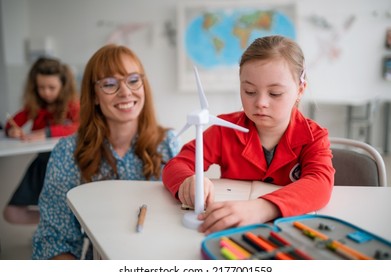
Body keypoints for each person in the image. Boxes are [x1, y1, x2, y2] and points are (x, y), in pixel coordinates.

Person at [162, 35, 335, 235]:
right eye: (250, 91)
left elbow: (320, 183)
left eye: (275, 93)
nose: (261, 102)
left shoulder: (315, 137)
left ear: (300, 90)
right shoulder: (224, 129)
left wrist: (262, 208)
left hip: (288, 232)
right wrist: (188, 181)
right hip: (233, 231)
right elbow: (176, 165)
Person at [32, 44, 179, 260]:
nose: (125, 92)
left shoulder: (167, 143)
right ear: (94, 96)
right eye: (110, 84)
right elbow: (55, 240)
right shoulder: (68, 152)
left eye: (133, 80)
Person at [3, 57, 80, 224]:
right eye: (41, 88)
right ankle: (53, 223)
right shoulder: (35, 107)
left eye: (52, 87)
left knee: (70, 206)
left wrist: (47, 132)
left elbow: (80, 126)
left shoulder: (72, 105)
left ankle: (60, 224)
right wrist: (12, 130)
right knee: (11, 213)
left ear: (63, 86)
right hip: (42, 165)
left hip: (68, 165)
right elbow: (11, 123)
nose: (46, 92)